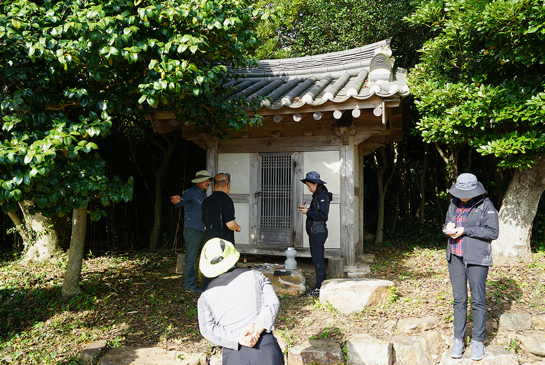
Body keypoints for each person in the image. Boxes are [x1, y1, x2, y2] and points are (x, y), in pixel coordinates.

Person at [197, 238, 284, 365]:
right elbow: (272, 302)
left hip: (233, 354)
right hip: (265, 349)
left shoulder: (205, 297)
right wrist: (257, 329)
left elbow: (207, 329)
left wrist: (237, 337)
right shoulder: (256, 276)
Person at [443, 173, 499, 361]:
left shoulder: (485, 205)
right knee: (459, 299)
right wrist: (448, 228)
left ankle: (477, 340)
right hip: (455, 256)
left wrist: (465, 230)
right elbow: (447, 222)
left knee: (478, 299)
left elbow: (493, 232)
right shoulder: (454, 204)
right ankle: (458, 339)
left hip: (477, 258)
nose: (461, 195)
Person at [170, 170, 212, 293]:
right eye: (206, 180)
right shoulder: (190, 192)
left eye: (209, 180)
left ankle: (207, 283)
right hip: (192, 230)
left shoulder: (204, 193)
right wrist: (178, 201)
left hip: (204, 229)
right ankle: (190, 286)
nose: (208, 182)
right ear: (198, 182)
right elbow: (181, 202)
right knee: (191, 258)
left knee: (208, 256)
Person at [298, 171, 333, 298]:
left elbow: (323, 215)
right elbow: (315, 212)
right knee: (316, 260)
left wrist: (307, 212)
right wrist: (306, 210)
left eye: (309, 185)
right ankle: (320, 285)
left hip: (318, 232)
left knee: (318, 261)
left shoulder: (323, 196)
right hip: (315, 232)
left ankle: (320, 288)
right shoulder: (317, 195)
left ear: (316, 184)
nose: (308, 188)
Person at [201, 173, 241, 245]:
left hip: (209, 244)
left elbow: (204, 222)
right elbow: (230, 224)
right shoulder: (226, 200)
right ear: (228, 185)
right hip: (224, 246)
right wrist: (238, 227)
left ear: (213, 186)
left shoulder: (206, 202)